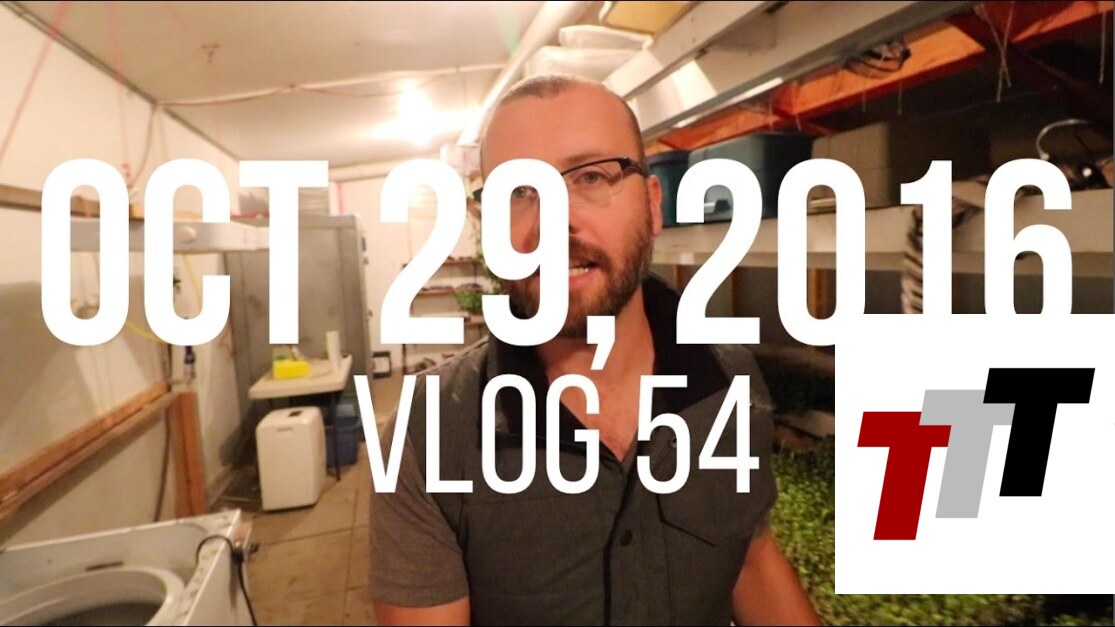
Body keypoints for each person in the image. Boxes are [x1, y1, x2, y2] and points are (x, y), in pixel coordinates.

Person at [367, 74, 820, 626]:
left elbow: (749, 556)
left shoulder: (729, 383)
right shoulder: (429, 435)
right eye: (518, 192)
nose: (554, 221)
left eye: (591, 176)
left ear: (653, 205)